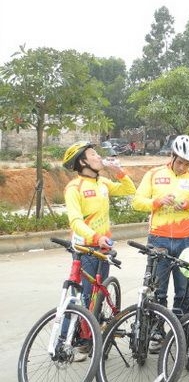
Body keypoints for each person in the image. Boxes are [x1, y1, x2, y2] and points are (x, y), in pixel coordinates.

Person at [62, 141, 136, 357]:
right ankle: (81, 340)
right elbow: (75, 221)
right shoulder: (74, 188)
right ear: (83, 162)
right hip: (85, 249)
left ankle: (95, 330)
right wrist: (95, 237)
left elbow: (129, 190)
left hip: (103, 249)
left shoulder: (102, 183)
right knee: (84, 296)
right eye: (93, 154)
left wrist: (119, 172)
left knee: (98, 295)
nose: (98, 157)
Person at [133, 134, 189, 318]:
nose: (183, 167)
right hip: (158, 239)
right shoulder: (153, 174)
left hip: (186, 241)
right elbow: (137, 202)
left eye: (188, 164)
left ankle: (181, 328)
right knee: (157, 291)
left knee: (184, 291)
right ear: (172, 155)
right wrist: (157, 202)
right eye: (180, 162)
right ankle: (158, 329)